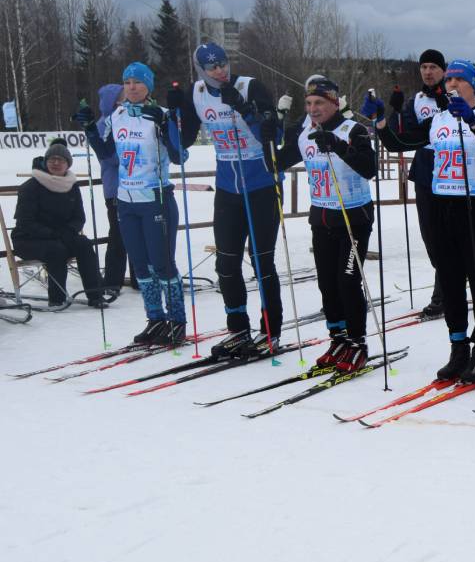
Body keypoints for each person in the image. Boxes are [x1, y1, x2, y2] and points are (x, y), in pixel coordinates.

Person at [383, 62, 475, 381]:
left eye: (459, 79)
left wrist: (471, 121)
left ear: (473, 85)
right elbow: (399, 142)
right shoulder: (437, 119)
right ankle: (458, 347)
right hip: (443, 206)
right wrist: (381, 121)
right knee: (450, 281)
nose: (451, 84)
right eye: (449, 79)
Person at [169, 42, 284, 358]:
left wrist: (244, 108)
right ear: (201, 70)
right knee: (226, 263)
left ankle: (270, 330)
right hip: (227, 188)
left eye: (223, 63)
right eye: (212, 67)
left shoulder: (249, 87)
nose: (220, 71)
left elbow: (273, 135)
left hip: (261, 185)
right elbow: (181, 145)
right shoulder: (197, 94)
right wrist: (174, 114)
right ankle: (238, 329)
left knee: (262, 262)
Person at [273, 75, 379, 372]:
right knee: (327, 283)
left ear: (333, 102)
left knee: (348, 281)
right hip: (321, 217)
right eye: (308, 103)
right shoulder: (305, 132)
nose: (313, 109)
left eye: (319, 102)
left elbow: (369, 168)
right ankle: (338, 338)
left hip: (353, 217)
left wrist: (338, 146)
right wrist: (274, 128)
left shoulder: (353, 130)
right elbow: (277, 161)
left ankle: (357, 342)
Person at [83, 63, 188, 343]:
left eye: (138, 82)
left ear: (148, 86)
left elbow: (180, 157)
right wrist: (90, 129)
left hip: (155, 199)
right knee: (141, 267)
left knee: (162, 265)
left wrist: (165, 124)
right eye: (127, 82)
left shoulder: (161, 114)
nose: (131, 87)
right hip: (126, 202)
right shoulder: (117, 115)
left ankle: (177, 321)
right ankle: (155, 319)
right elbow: (107, 154)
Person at [374, 50, 450, 318]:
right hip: (425, 172)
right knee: (431, 238)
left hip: (451, 172)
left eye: (433, 67)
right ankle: (449, 280)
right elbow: (402, 136)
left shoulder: (454, 96)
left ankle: (443, 295)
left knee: (447, 237)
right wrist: (394, 111)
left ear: (443, 70)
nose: (428, 72)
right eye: (424, 67)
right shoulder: (416, 100)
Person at [11, 139, 105, 309]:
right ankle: (56, 299)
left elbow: (79, 217)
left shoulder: (72, 186)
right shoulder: (30, 187)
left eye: (60, 160)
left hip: (61, 236)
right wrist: (52, 234)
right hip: (29, 240)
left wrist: (69, 231)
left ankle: (96, 295)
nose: (56, 163)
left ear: (67, 164)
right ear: (45, 162)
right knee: (56, 250)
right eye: (52, 159)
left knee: (84, 243)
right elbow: (25, 223)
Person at [92, 83, 133, 296]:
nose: (127, 99)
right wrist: (133, 154)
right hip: (115, 188)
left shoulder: (126, 119)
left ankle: (139, 277)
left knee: (137, 234)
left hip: (134, 186)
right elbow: (109, 158)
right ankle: (112, 281)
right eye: (123, 96)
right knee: (118, 236)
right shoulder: (103, 124)